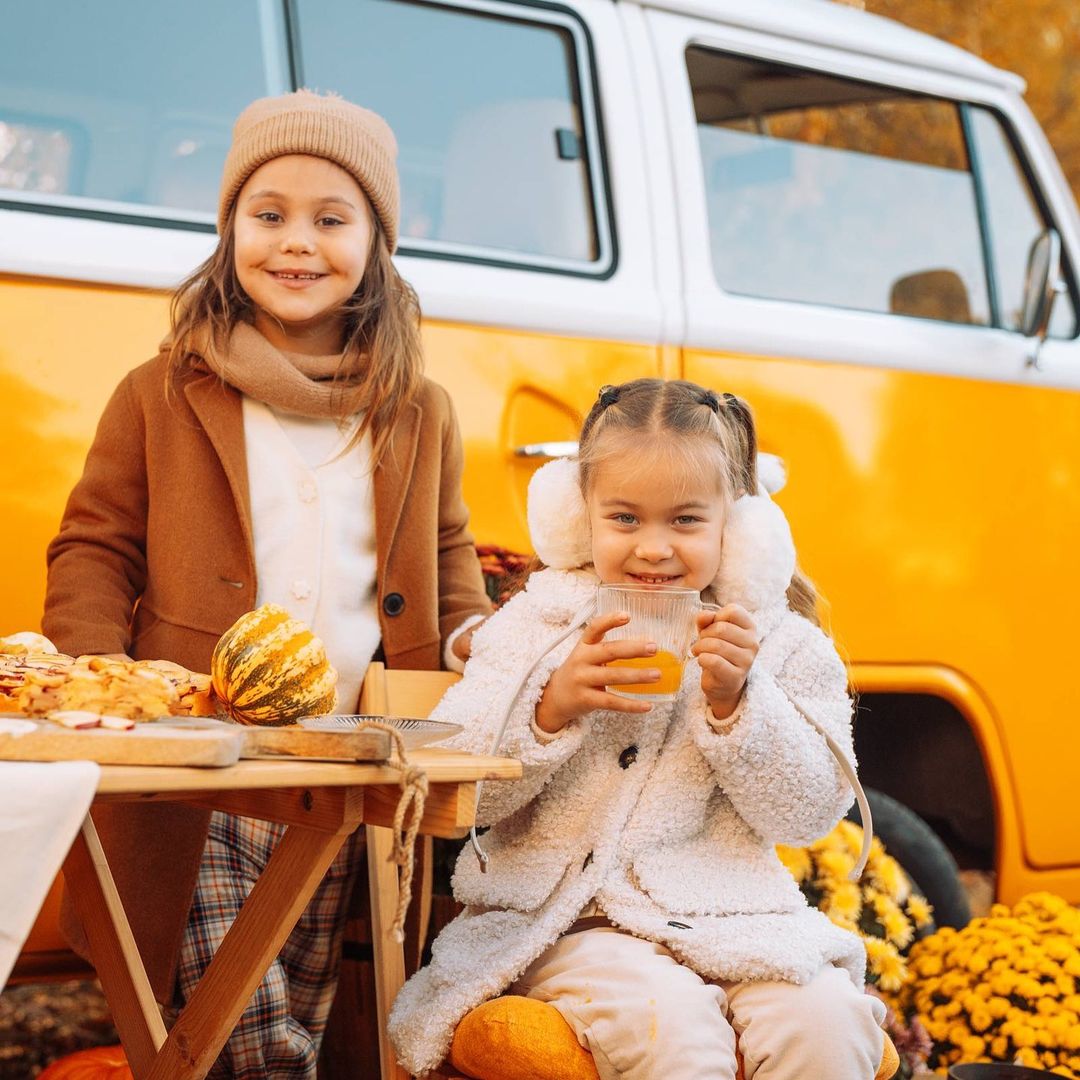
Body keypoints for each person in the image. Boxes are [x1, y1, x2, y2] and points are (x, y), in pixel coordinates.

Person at [43, 89, 492, 1077]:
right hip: (198, 761)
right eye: (269, 214)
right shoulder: (161, 392)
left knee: (307, 984)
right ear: (229, 230)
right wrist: (100, 680)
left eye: (332, 219)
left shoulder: (417, 410)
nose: (298, 243)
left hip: (348, 762)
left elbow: (448, 549)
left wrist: (472, 646)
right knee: (236, 1019)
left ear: (377, 241)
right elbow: (95, 544)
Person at [389, 379, 887, 1079]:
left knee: (828, 1025)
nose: (653, 549)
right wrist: (548, 708)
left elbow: (807, 813)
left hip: (738, 919)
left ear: (739, 529)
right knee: (672, 1032)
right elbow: (451, 793)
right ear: (578, 516)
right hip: (571, 921)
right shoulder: (536, 625)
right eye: (624, 519)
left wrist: (738, 704)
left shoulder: (782, 644)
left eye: (685, 521)